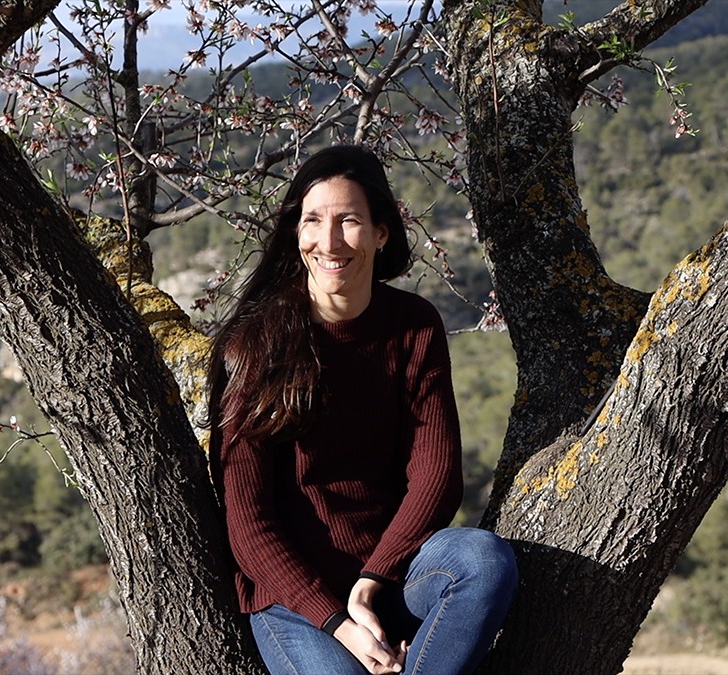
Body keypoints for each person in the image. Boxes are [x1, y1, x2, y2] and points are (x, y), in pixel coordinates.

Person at [205, 145, 518, 675]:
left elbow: (436, 477)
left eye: (348, 221)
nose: (328, 241)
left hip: (394, 576)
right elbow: (249, 526)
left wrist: (371, 583)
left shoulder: (413, 326)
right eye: (313, 221)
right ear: (296, 233)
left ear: (381, 233)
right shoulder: (254, 346)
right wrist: (340, 624)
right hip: (296, 600)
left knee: (483, 561)